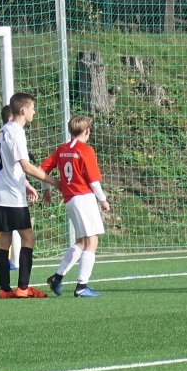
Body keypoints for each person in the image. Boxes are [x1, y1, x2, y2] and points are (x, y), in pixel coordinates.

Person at [0, 93, 60, 298]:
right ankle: (23, 287)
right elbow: (25, 166)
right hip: (13, 197)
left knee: (4, 242)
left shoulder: (3, 130)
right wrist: (55, 182)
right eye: (32, 108)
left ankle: (4, 289)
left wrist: (26, 185)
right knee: (28, 238)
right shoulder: (16, 132)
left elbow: (10, 166)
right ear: (23, 111)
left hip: (0, 195)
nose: (34, 112)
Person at [41, 115, 111, 297]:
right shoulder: (86, 150)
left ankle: (57, 277)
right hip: (84, 198)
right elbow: (93, 181)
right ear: (87, 131)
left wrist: (46, 189)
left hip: (70, 200)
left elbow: (42, 169)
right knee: (92, 241)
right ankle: (82, 286)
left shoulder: (62, 149)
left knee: (81, 241)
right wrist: (103, 199)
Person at [0, 105, 23, 270]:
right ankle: (4, 259)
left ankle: (8, 259)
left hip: (12, 186)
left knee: (14, 226)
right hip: (2, 187)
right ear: (10, 119)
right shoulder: (1, 134)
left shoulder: (11, 134)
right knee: (4, 227)